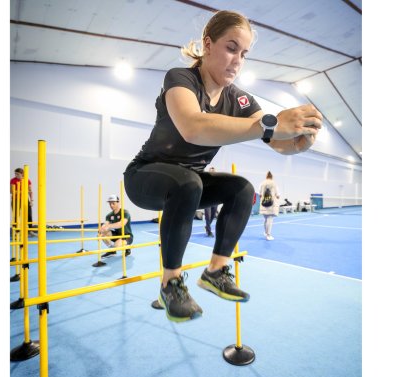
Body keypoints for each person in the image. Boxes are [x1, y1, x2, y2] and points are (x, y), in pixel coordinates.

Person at [123, 10, 322, 322]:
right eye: (231, 48)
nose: (237, 61)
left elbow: (279, 141)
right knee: (188, 182)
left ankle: (215, 271)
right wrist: (271, 123)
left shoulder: (240, 100)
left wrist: (301, 139)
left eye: (244, 54)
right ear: (208, 44)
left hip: (190, 182)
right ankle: (170, 283)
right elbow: (193, 126)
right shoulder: (181, 79)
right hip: (145, 177)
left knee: (241, 189)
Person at [10, 168, 36, 237]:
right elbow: (11, 191)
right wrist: (21, 191)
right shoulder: (13, 180)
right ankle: (16, 232)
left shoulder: (27, 180)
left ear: (22, 174)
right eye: (15, 174)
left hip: (25, 199)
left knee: (29, 215)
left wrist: (31, 200)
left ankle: (30, 231)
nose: (16, 175)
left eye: (17, 174)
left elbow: (30, 191)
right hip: (15, 200)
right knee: (15, 216)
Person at [259, 171, 280, 240]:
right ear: (272, 177)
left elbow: (260, 194)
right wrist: (277, 197)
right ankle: (268, 235)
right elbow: (277, 195)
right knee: (270, 220)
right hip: (271, 205)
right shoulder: (274, 183)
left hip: (264, 204)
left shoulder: (262, 183)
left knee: (265, 219)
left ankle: (265, 232)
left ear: (266, 176)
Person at [203, 167, 218, 237]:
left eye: (213, 172)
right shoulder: (206, 180)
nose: (212, 172)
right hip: (207, 200)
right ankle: (209, 231)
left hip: (215, 200)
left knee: (212, 215)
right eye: (211, 171)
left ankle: (207, 226)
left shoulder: (217, 181)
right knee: (208, 216)